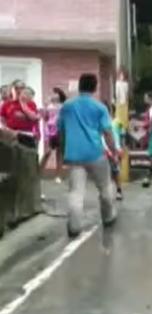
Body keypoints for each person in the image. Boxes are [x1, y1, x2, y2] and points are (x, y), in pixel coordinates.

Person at [58, 73, 118, 238]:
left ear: (80, 86)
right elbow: (107, 132)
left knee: (76, 193)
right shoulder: (99, 107)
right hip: (95, 153)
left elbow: (61, 132)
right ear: (95, 87)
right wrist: (114, 152)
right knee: (105, 187)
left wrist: (63, 152)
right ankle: (108, 217)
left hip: (74, 155)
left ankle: (75, 226)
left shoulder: (67, 106)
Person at [0, 80, 40, 149]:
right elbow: (3, 120)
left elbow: (34, 118)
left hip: (27, 135)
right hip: (11, 135)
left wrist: (23, 103)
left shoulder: (30, 103)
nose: (19, 90)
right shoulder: (7, 104)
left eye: (22, 88)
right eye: (16, 88)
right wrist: (9, 131)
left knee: (26, 157)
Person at [40, 87, 67, 182]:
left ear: (59, 96)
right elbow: (45, 117)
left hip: (60, 130)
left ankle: (58, 175)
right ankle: (39, 172)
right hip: (50, 131)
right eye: (53, 93)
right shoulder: (48, 105)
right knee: (47, 152)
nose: (53, 95)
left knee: (59, 154)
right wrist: (44, 108)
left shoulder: (63, 106)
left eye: (55, 93)